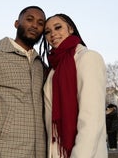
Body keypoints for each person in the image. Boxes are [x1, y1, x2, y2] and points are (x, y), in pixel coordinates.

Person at [0, 6, 47, 158]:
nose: (35, 25)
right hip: (5, 151)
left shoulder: (41, 66)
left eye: (40, 23)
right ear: (16, 23)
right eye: (29, 19)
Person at [39, 14, 108, 158]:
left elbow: (92, 118)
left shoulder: (88, 58)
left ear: (70, 29)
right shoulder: (54, 69)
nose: (53, 34)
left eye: (58, 27)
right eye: (47, 31)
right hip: (57, 151)